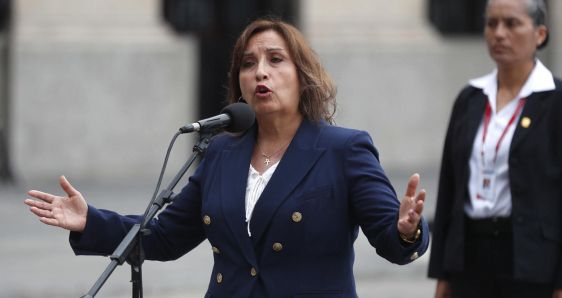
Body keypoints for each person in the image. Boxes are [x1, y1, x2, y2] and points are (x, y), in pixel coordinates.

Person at [24, 18, 430, 297]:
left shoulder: (344, 149)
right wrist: (90, 220)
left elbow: (394, 242)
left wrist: (408, 229)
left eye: (275, 59)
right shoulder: (221, 151)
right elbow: (166, 236)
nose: (260, 73)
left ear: (303, 73)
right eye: (248, 64)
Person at [428, 0, 562, 297]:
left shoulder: (555, 101)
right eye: (492, 24)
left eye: (512, 24)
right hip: (470, 260)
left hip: (532, 263)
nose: (499, 33)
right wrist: (442, 274)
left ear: (540, 34)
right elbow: (450, 188)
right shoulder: (470, 98)